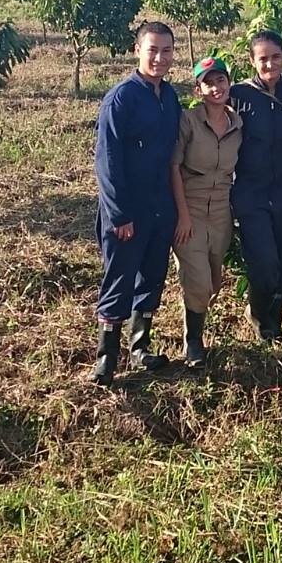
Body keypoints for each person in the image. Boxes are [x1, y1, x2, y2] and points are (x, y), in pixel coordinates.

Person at [89, 22, 184, 383]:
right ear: (137, 50)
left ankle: (141, 346)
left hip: (161, 207)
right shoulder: (121, 98)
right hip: (129, 211)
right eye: (153, 50)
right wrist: (119, 214)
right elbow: (107, 161)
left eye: (167, 51)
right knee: (120, 280)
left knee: (151, 276)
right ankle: (106, 358)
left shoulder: (169, 96)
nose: (160, 58)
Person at [228, 30, 282, 342]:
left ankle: (273, 323)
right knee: (264, 264)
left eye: (275, 57)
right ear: (251, 61)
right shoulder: (238, 95)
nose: (270, 63)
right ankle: (258, 314)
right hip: (251, 192)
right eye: (263, 58)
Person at [170, 55, 242, 364]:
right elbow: (173, 167)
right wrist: (183, 216)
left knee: (213, 282)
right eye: (208, 83)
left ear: (229, 83)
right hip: (192, 207)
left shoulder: (237, 123)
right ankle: (193, 342)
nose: (216, 88)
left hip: (221, 211)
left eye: (220, 81)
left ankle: (194, 311)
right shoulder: (188, 121)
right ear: (198, 90)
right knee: (198, 280)